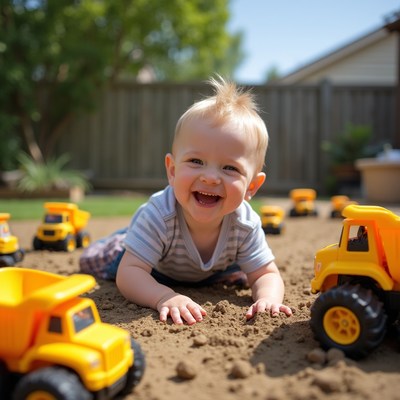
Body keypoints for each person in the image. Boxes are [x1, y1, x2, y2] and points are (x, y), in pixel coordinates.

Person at [116, 76, 292, 325]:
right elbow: (128, 274)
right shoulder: (159, 213)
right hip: (154, 267)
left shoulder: (245, 223)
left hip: (208, 272)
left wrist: (268, 298)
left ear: (252, 186)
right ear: (173, 171)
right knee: (109, 260)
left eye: (230, 168)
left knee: (239, 273)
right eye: (196, 161)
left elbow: (266, 273)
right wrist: (164, 296)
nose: (210, 178)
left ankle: (219, 274)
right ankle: (121, 241)